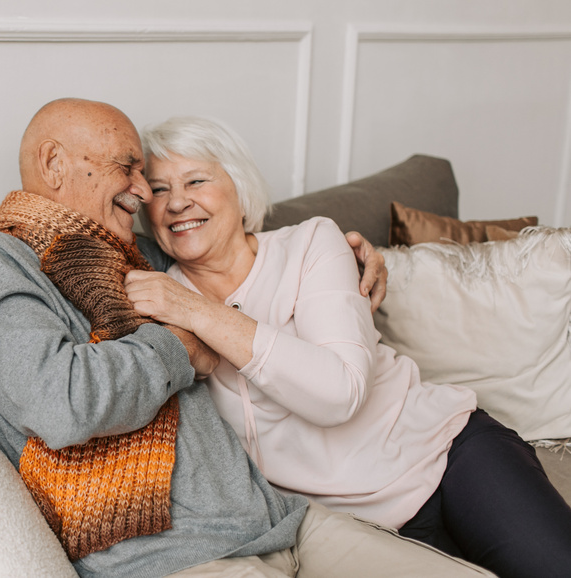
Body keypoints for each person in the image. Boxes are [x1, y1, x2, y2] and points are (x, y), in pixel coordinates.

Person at [0, 97, 495, 577]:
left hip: (284, 520)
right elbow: (62, 404)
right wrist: (182, 346)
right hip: (182, 558)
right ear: (53, 163)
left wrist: (360, 256)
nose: (144, 192)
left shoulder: (136, 254)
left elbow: (229, 240)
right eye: (129, 169)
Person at [125, 114, 571, 578]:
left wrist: (202, 314)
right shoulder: (157, 297)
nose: (177, 202)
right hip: (353, 531)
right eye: (158, 190)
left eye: (196, 180)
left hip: (447, 455)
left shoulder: (311, 244)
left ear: (239, 190)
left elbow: (339, 392)